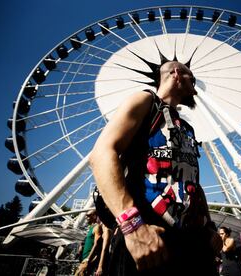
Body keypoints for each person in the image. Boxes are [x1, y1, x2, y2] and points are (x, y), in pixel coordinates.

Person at [90, 60, 222, 276]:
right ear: (177, 74)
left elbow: (192, 184)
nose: (195, 87)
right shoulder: (145, 101)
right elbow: (102, 154)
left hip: (193, 246)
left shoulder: (186, 127)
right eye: (193, 79)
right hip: (150, 238)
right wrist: (133, 228)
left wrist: (208, 227)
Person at [75, 210, 102, 276]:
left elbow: (96, 244)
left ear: (95, 216)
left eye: (88, 215)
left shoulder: (97, 227)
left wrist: (88, 259)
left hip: (89, 260)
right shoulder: (91, 228)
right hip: (84, 259)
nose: (86, 217)